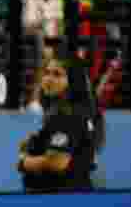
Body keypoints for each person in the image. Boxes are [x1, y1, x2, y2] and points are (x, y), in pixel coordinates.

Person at [17, 54, 100, 192]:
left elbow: (57, 162)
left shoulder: (67, 114)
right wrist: (39, 141)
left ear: (73, 81)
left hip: (63, 200)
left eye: (57, 74)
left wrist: (24, 163)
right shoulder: (71, 111)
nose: (49, 79)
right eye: (47, 73)